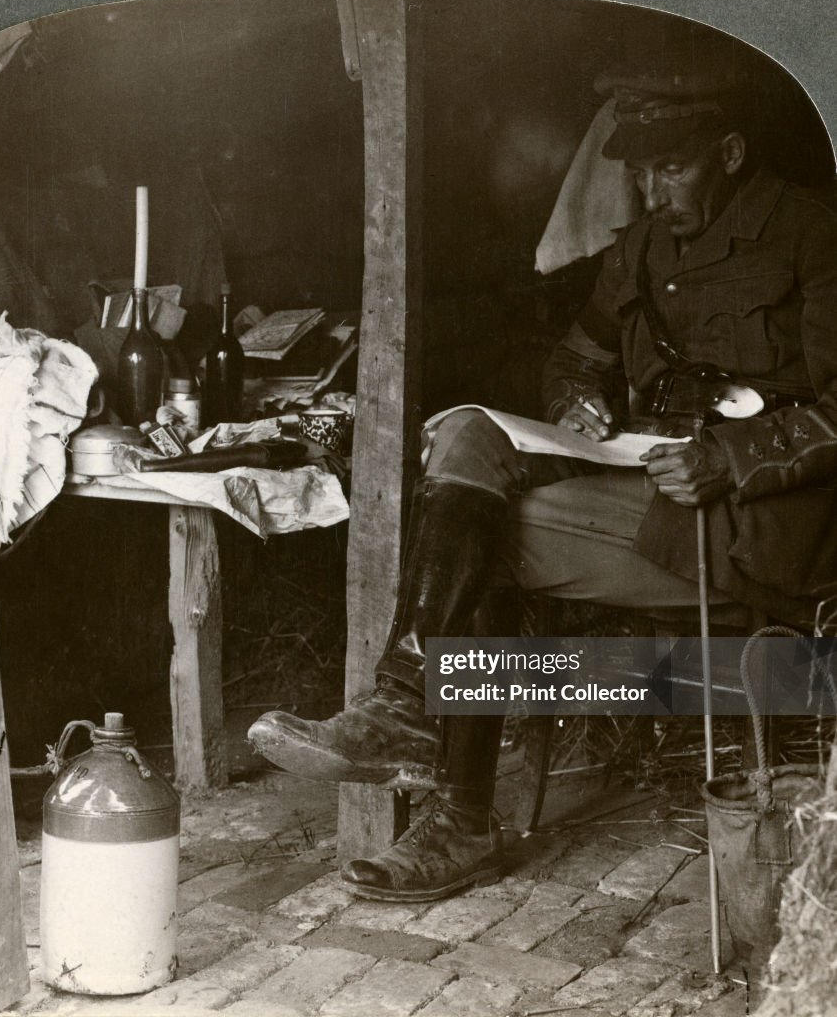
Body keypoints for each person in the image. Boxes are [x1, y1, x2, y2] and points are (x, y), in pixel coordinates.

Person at [248, 56, 837, 902]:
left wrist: (732, 457)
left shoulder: (812, 236)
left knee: (480, 533)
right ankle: (411, 699)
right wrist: (576, 399)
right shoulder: (637, 251)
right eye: (638, 171)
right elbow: (575, 358)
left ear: (732, 153)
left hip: (760, 523)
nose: (649, 189)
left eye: (670, 168)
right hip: (645, 485)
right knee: (467, 437)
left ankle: (452, 800)